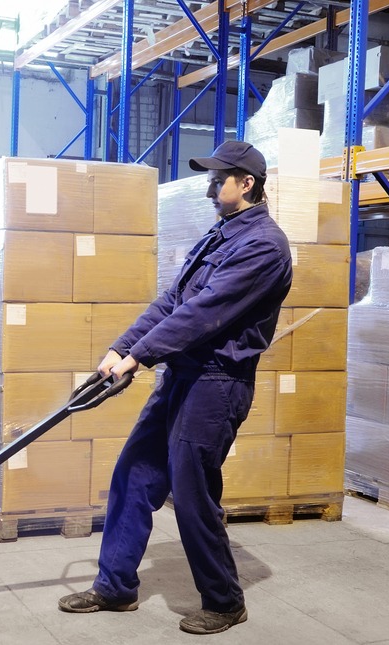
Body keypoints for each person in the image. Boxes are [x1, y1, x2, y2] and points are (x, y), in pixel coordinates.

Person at [58, 140, 292, 635]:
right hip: (181, 375)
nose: (210, 187)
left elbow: (203, 314)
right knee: (134, 475)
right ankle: (116, 587)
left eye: (218, 179)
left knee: (191, 494)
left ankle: (225, 600)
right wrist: (119, 349)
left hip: (217, 384)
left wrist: (140, 357)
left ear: (246, 184)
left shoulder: (264, 247)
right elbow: (172, 302)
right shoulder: (221, 235)